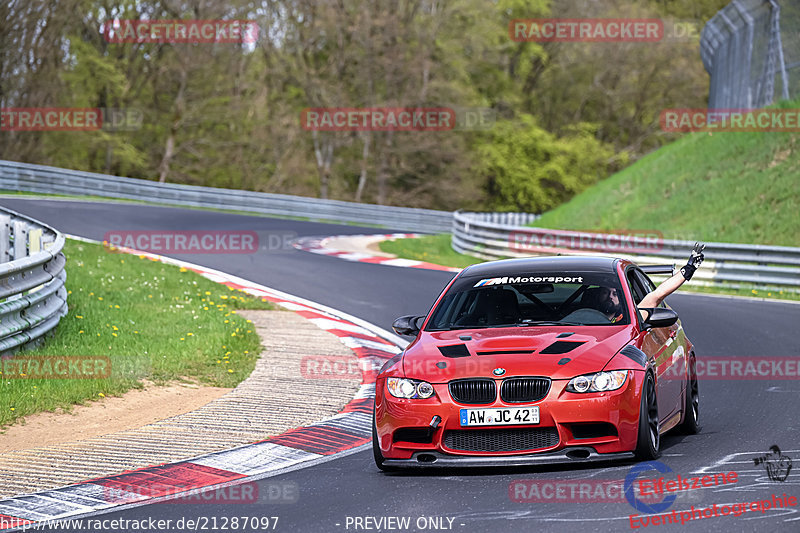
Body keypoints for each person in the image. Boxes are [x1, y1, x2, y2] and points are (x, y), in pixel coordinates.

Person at [593, 242, 705, 322]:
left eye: (615, 293)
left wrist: (688, 269)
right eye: (605, 292)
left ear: (622, 298)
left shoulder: (632, 319)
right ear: (597, 295)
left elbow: (658, 295)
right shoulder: (579, 316)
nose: (610, 297)